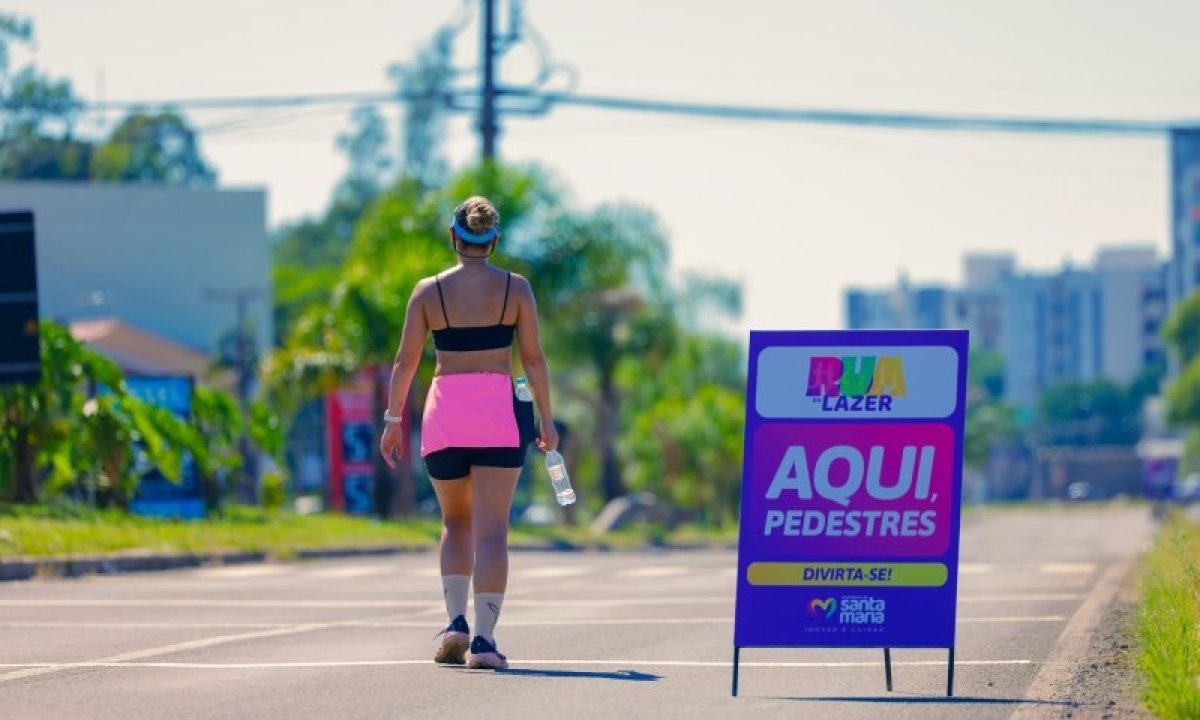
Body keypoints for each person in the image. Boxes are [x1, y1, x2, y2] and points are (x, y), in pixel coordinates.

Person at [379, 195, 558, 671]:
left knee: (455, 522)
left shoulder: (427, 291)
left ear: (454, 237)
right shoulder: (515, 289)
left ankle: (455, 620)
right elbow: (534, 359)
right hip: (497, 415)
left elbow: (405, 362)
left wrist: (393, 420)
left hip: (446, 418)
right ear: (493, 241)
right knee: (492, 529)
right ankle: (483, 641)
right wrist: (547, 419)